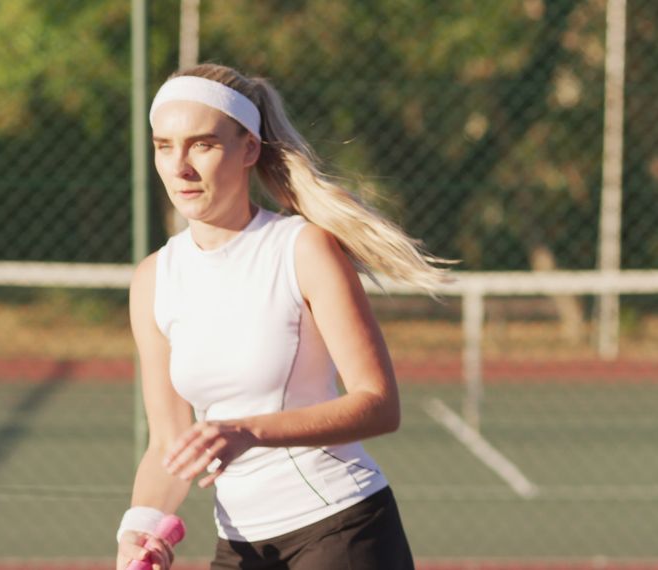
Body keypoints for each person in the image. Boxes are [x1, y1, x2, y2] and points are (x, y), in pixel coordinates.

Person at [115, 63, 451, 570]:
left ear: (249, 148)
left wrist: (247, 431)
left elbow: (379, 404)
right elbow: (168, 443)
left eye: (202, 144)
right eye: (164, 145)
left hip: (342, 528)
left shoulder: (303, 249)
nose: (180, 166)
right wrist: (140, 530)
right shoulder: (152, 279)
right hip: (242, 547)